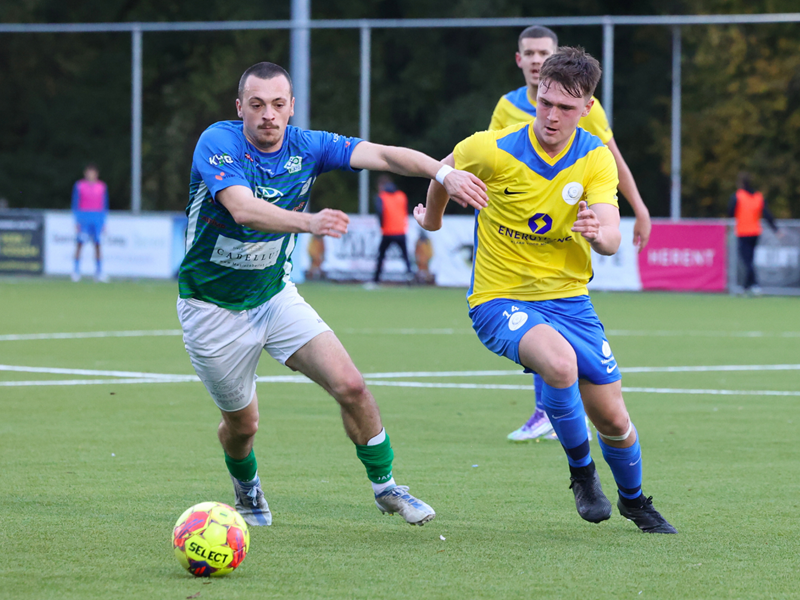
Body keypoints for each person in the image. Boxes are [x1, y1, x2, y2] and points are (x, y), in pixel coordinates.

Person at [176, 61, 488, 528]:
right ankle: (247, 485)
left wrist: (442, 175)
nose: (268, 115)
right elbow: (242, 210)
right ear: (239, 107)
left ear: (291, 107)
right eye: (257, 105)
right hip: (211, 310)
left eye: (278, 105)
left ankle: (386, 488)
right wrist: (310, 221)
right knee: (243, 427)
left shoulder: (309, 146)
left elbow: (383, 156)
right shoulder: (218, 142)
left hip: (274, 297)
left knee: (352, 386)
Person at [414, 48, 676, 533]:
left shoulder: (596, 160)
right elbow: (441, 173)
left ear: (587, 109)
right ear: (537, 95)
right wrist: (430, 218)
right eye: (545, 103)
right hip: (499, 299)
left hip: (571, 302)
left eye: (567, 108)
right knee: (559, 365)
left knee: (615, 419)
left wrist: (599, 232)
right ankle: (582, 475)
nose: (552, 116)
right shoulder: (489, 148)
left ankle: (636, 503)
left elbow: (614, 240)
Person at [490, 25, 652, 442]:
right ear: (519, 60)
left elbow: (611, 162)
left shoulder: (584, 107)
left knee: (557, 319)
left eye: (544, 52)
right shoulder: (507, 108)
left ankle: (556, 412)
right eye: (529, 53)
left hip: (567, 233)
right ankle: (547, 411)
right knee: (535, 322)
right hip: (518, 236)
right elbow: (486, 160)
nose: (536, 59)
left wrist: (638, 208)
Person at [728, 172, 780, 295]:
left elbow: (730, 212)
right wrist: (775, 229)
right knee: (750, 260)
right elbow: (767, 214)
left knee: (747, 261)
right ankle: (748, 286)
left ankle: (754, 285)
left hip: (743, 232)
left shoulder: (738, 196)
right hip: (755, 232)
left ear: (740, 183)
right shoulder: (758, 197)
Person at [71, 164, 109, 282]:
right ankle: (76, 271)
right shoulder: (79, 185)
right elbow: (75, 203)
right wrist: (77, 221)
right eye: (89, 172)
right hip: (83, 218)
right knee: (80, 244)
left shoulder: (102, 186)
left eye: (93, 173)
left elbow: (105, 205)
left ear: (96, 174)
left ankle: (99, 271)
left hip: (97, 218)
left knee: (97, 245)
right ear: (85, 173)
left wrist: (103, 222)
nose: (90, 175)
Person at [373, 174, 412, 283]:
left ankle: (376, 280)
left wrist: (381, 225)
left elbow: (379, 212)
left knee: (381, 257)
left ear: (382, 185)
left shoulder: (382, 196)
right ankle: (410, 277)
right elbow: (406, 210)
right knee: (405, 257)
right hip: (401, 230)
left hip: (388, 231)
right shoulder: (402, 195)